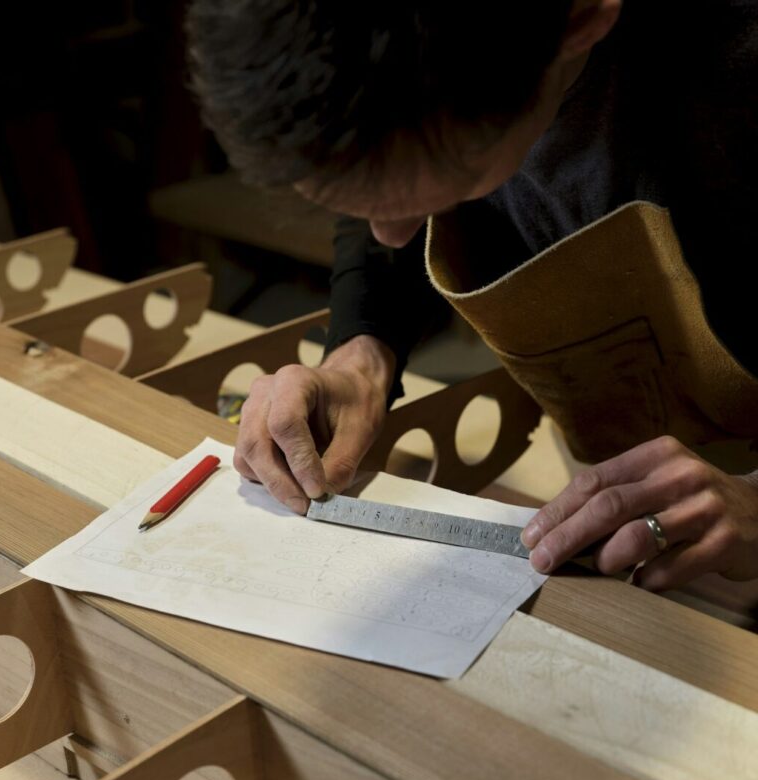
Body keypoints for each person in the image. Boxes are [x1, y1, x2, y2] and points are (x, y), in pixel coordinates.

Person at [186, 0, 758, 590]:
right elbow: (390, 170)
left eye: (445, 190)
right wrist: (361, 353)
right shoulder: (448, 75)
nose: (390, 234)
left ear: (583, 20)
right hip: (623, 490)